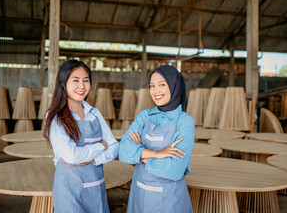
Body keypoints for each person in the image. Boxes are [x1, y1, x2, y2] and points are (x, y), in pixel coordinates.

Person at [43, 59, 119, 213]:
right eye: (75, 80)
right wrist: (101, 146)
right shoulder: (56, 117)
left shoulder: (95, 113)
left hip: (97, 187)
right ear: (63, 83)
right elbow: (71, 156)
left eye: (86, 80)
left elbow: (115, 147)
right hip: (69, 191)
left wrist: (93, 159)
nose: (82, 86)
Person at [119, 65, 195, 213]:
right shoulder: (145, 115)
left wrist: (139, 155)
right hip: (139, 194)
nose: (156, 91)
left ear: (175, 86)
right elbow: (123, 150)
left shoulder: (184, 121)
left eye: (162, 84)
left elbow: (174, 168)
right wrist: (157, 153)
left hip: (169, 200)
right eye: (152, 86)